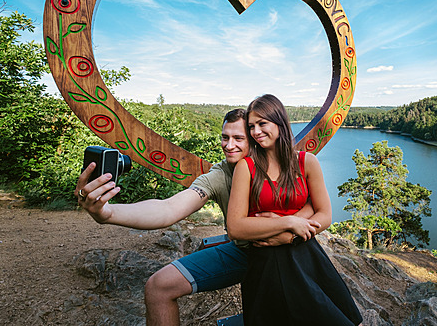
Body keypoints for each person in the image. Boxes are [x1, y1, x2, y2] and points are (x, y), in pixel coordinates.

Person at [75, 108, 314, 326]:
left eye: (238, 138)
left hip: (287, 256)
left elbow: (315, 206)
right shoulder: (220, 175)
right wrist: (107, 213)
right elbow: (168, 208)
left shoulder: (286, 164)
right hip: (244, 252)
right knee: (158, 286)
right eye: (225, 137)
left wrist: (288, 234)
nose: (229, 145)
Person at [226, 94, 363, 326]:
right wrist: (288, 222)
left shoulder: (306, 162)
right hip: (266, 259)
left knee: (338, 315)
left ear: (279, 122)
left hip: (305, 252)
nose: (256, 131)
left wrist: (287, 237)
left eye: (262, 123)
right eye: (251, 127)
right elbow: (236, 227)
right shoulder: (246, 167)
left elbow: (325, 214)